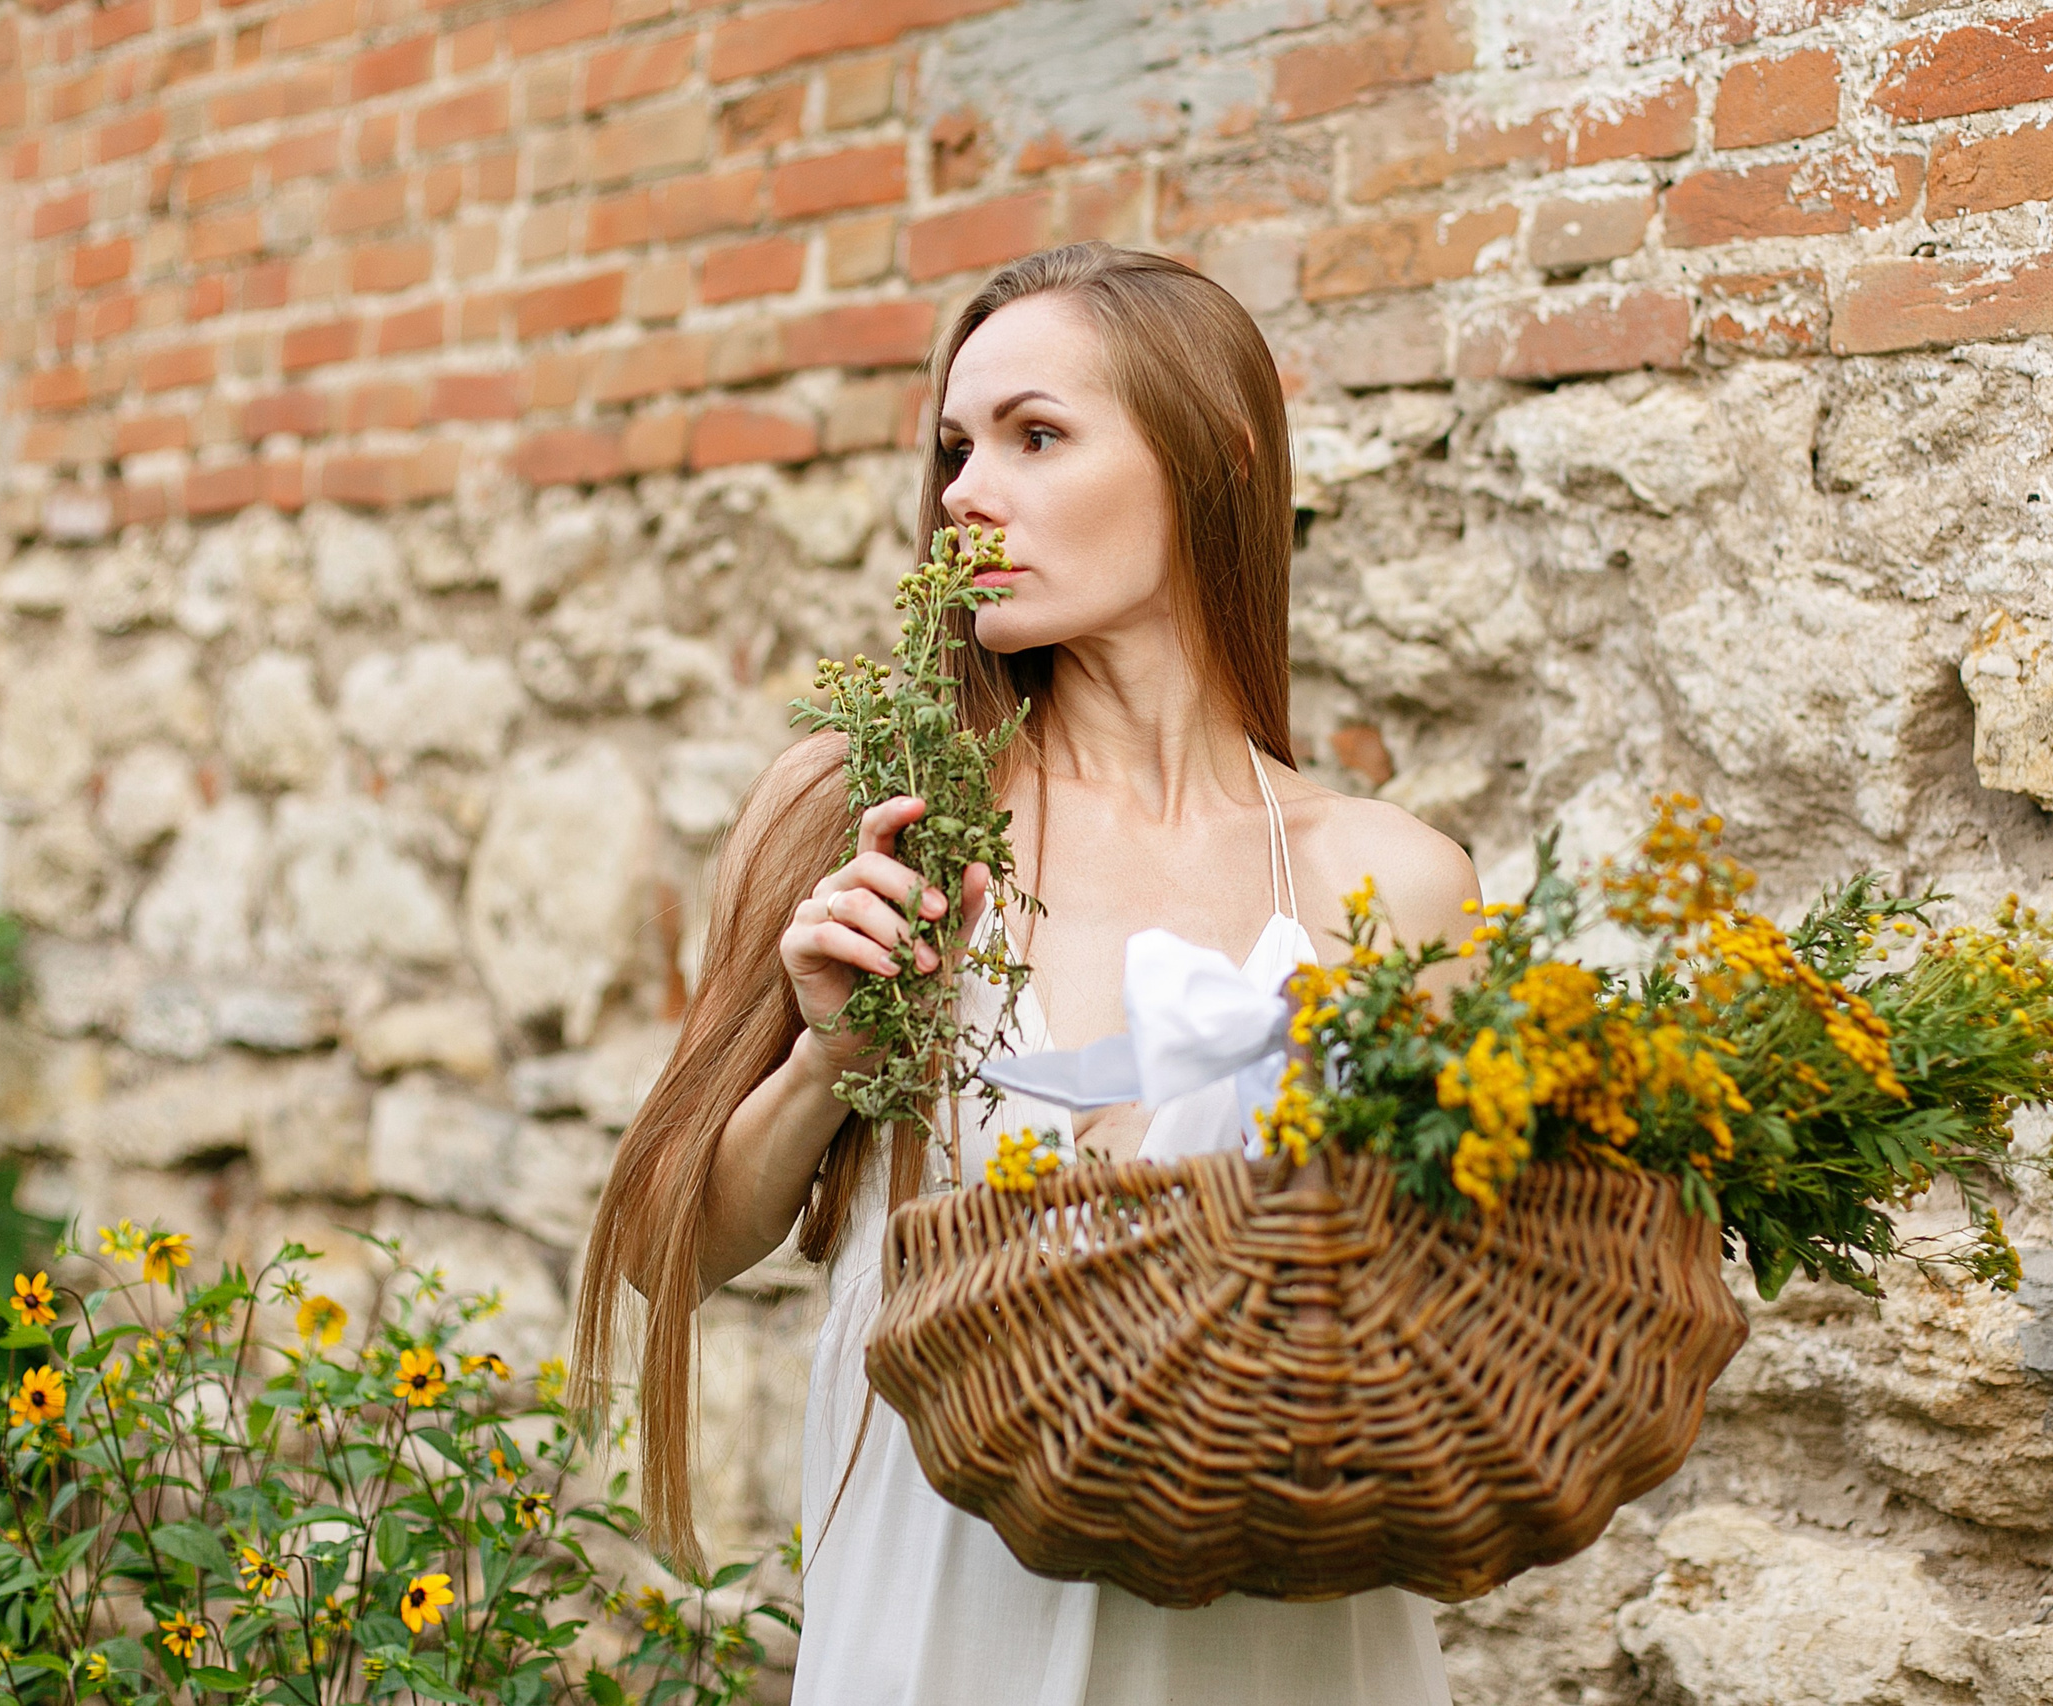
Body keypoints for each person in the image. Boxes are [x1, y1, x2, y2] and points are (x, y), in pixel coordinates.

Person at [576, 243, 1479, 1704]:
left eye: (1035, 436)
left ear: (1215, 461)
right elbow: (667, 1250)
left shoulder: (1392, 878)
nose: (962, 493)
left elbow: (1451, 1307)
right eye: (953, 447)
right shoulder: (873, 809)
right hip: (950, 1622)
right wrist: (827, 1064)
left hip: (1278, 1630)